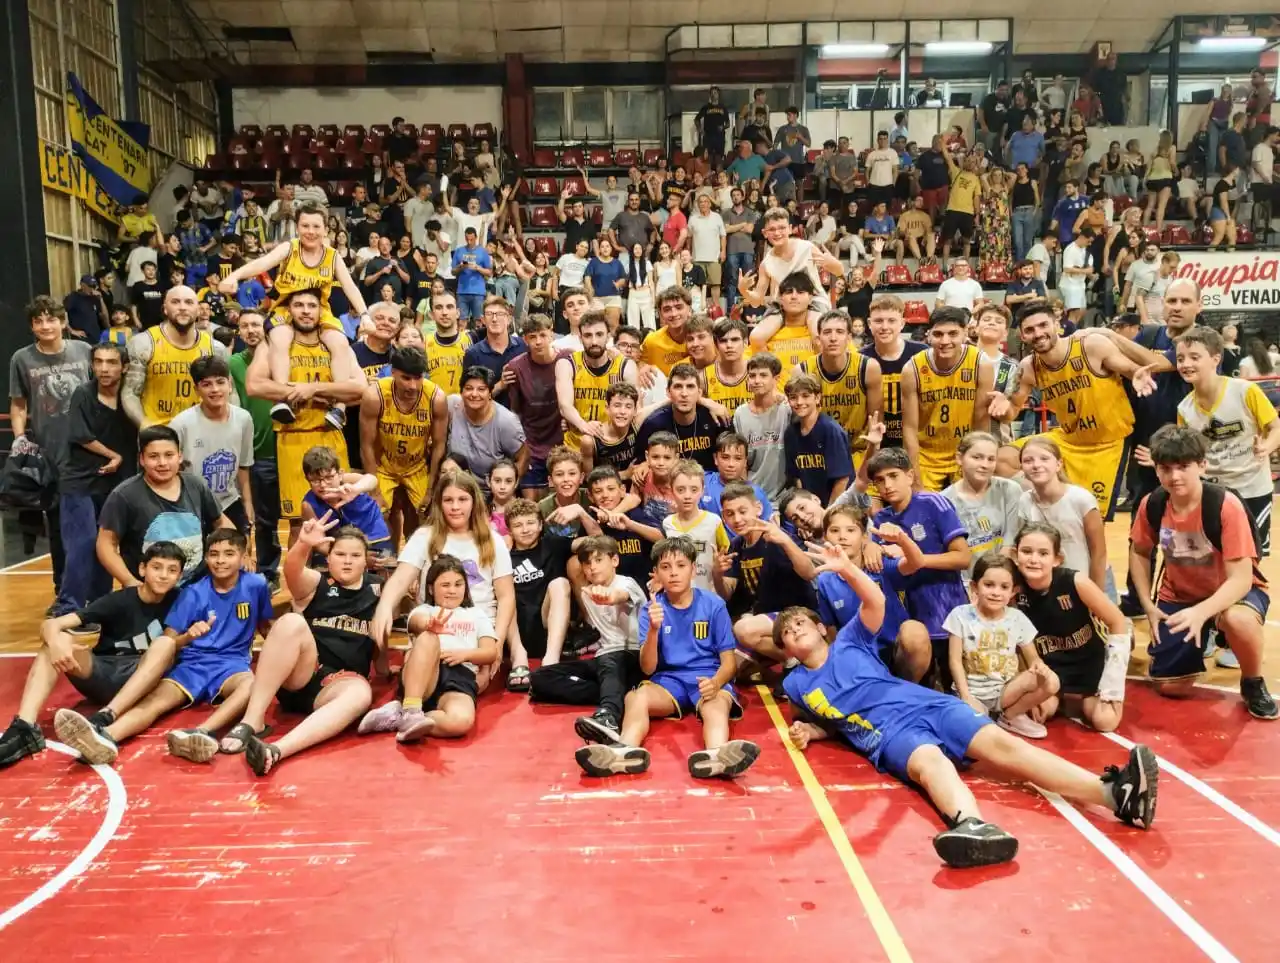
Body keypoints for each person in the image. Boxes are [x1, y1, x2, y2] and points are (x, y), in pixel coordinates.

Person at [777, 600, 1159, 870]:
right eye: (787, 632)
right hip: (888, 734)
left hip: (930, 704)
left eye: (800, 623)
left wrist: (847, 569)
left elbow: (873, 599)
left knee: (1006, 746)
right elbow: (828, 719)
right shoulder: (796, 683)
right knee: (931, 763)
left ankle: (1114, 795)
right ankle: (972, 826)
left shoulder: (848, 640)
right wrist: (810, 730)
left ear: (820, 629)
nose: (795, 630)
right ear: (786, 651)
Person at [54, 529, 274, 766]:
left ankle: (201, 732)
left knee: (251, 685)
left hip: (232, 665)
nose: (220, 560)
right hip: (191, 664)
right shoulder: (192, 593)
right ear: (206, 558)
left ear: (243, 557)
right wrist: (188, 636)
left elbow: (265, 627)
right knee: (154, 703)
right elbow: (170, 641)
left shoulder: (256, 585)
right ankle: (106, 737)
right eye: (214, 554)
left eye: (229, 554)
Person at [574, 536, 761, 779]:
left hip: (708, 677)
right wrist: (653, 629)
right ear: (656, 573)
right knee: (635, 697)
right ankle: (623, 751)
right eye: (665, 567)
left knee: (716, 705)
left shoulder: (713, 604)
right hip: (668, 680)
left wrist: (715, 683)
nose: (673, 573)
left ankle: (716, 754)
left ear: (693, 569)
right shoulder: (651, 609)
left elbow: (728, 663)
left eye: (681, 566)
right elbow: (648, 668)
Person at [1128, 426, 1276, 719]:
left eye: (1183, 467)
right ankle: (1206, 634)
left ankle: (1252, 681)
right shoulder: (1153, 504)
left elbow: (1241, 579)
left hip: (1232, 595)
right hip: (1180, 596)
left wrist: (1202, 613)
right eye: (1165, 468)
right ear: (1156, 469)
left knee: (1238, 620)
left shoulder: (1224, 505)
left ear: (1202, 465)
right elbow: (1139, 552)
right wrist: (1147, 605)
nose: (1175, 476)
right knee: (1171, 687)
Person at [0, 542, 185, 767]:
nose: (164, 575)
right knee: (57, 640)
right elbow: (52, 624)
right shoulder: (120, 600)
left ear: (179, 575)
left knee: (166, 644)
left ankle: (106, 716)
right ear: (142, 569)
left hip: (144, 677)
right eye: (157, 567)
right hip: (105, 672)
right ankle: (25, 728)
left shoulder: (181, 599)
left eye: (172, 570)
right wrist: (57, 644)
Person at [234, 516, 384, 775]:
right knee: (291, 621)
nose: (347, 560)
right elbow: (293, 573)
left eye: (355, 555)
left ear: (366, 560)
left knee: (361, 693)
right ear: (329, 558)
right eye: (340, 554)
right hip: (303, 674)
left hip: (338, 686)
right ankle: (252, 720)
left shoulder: (379, 589)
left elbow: (395, 626)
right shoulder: (317, 583)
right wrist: (303, 544)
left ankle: (276, 750)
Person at [993, 299, 1159, 520]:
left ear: (1057, 325)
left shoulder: (1089, 345)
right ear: (1022, 336)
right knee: (1002, 459)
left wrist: (1136, 374)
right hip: (1069, 441)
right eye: (1030, 330)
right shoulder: (1028, 366)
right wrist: (1003, 406)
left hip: (1107, 444)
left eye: (1043, 325)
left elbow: (1128, 368)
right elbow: (1013, 409)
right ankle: (1050, 508)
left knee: (1091, 522)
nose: (1038, 333)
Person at [217, 203, 367, 429]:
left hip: (320, 308)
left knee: (339, 341)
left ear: (326, 229)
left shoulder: (333, 256)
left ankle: (338, 407)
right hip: (286, 306)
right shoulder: (289, 248)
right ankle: (283, 400)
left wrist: (365, 315)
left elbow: (350, 287)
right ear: (297, 227)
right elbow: (261, 264)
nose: (310, 231)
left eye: (316, 226)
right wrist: (234, 277)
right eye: (305, 225)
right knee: (280, 337)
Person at [369, 471, 515, 689]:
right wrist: (384, 608)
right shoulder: (424, 536)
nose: (455, 507)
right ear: (439, 503)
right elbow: (400, 579)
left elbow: (506, 596)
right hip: (433, 628)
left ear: (474, 502)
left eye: (462, 499)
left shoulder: (492, 540)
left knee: (463, 689)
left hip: (475, 633)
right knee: (418, 685)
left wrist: (498, 643)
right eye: (448, 500)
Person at [245, 289, 368, 536]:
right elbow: (254, 385)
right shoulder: (273, 342)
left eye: (311, 305)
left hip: (329, 433)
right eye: (298, 305)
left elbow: (360, 388)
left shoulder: (336, 342)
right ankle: (297, 575)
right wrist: (311, 392)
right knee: (299, 521)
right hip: (293, 436)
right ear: (288, 310)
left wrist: (312, 389)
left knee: (343, 511)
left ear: (321, 310)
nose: (305, 311)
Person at [360, 554, 500, 743]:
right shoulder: (424, 610)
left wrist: (465, 654)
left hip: (460, 677)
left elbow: (490, 652)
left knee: (460, 722)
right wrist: (429, 625)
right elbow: (416, 623)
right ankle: (410, 710)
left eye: (458, 584)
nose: (452, 590)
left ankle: (400, 718)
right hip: (424, 675)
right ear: (431, 589)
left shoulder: (476, 615)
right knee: (428, 637)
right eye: (445, 585)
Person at [866, 448, 970, 686]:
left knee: (956, 686)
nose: (887, 485)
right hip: (913, 617)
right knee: (923, 686)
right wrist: (869, 546)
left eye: (893, 476)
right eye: (880, 480)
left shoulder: (934, 502)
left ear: (910, 476)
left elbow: (963, 557)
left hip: (950, 608)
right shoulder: (882, 521)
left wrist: (918, 557)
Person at [1012, 523, 1130, 733]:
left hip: (1088, 664)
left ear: (1057, 559)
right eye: (1026, 551)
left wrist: (1113, 685)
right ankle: (1058, 698)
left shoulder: (1075, 582)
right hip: (1049, 668)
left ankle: (1098, 697)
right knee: (1038, 713)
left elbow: (1118, 621)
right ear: (1015, 554)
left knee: (1105, 722)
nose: (1033, 559)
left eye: (1043, 553)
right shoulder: (1012, 588)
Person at [1174, 327, 1280, 554]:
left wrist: (1266, 447)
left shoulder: (1245, 391)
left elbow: (1275, 427)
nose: (1185, 364)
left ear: (1215, 358)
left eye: (1195, 357)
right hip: (1213, 493)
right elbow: (1189, 453)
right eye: (1180, 358)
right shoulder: (1184, 408)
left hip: (1252, 490)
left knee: (1251, 559)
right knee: (1216, 556)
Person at [52, 342, 138, 616]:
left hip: (116, 484)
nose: (103, 368)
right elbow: (80, 434)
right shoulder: (83, 394)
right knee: (83, 543)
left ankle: (100, 604)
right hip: (80, 482)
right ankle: (69, 607)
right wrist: (114, 456)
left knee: (107, 543)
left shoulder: (130, 398)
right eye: (98, 362)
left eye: (111, 362)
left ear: (124, 367)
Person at [96, 425, 232, 587]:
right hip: (149, 591)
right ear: (142, 459)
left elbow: (222, 524)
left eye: (169, 455)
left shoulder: (195, 485)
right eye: (154, 456)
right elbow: (105, 544)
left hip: (197, 587)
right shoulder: (124, 495)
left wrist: (235, 554)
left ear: (180, 456)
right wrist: (129, 582)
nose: (162, 463)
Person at [944, 555, 1057, 740]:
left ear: (1013, 591)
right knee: (979, 733)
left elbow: (1033, 659)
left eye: (1004, 587)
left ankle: (1011, 717)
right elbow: (955, 661)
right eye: (989, 585)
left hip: (1005, 693)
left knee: (1052, 681)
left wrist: (1040, 667)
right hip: (972, 693)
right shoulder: (960, 615)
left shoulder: (1017, 618)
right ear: (974, 587)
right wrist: (965, 695)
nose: (996, 592)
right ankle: (979, 714)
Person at [359, 346, 448, 544]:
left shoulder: (436, 398)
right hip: (384, 466)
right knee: (377, 516)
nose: (413, 386)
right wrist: (374, 490)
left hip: (417, 466)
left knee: (428, 520)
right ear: (393, 373)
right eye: (406, 378)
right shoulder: (375, 396)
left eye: (418, 378)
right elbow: (366, 445)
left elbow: (439, 445)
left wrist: (431, 490)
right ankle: (386, 562)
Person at [901, 308, 995, 491]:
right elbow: (909, 429)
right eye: (938, 334)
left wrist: (978, 462)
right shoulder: (912, 368)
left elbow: (982, 424)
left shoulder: (980, 363)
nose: (945, 341)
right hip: (927, 455)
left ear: (965, 333)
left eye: (953, 334)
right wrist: (915, 479)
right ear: (928, 336)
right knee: (924, 511)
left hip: (965, 451)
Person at [123, 286, 234, 428]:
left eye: (188, 302)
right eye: (175, 302)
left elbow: (230, 392)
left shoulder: (216, 348)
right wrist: (145, 425)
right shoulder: (144, 343)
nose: (182, 307)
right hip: (159, 433)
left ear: (198, 309)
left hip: (202, 431)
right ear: (164, 309)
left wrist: (227, 425)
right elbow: (130, 392)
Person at [169, 355, 256, 535]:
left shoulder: (243, 419)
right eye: (206, 384)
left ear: (229, 384)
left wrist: (247, 503)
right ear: (196, 389)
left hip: (230, 501)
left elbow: (243, 466)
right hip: (193, 505)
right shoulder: (180, 425)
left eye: (220, 382)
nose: (215, 389)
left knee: (238, 557)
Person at [1016, 436, 1111, 598]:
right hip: (1049, 588)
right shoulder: (1025, 501)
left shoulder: (1081, 499)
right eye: (1028, 460)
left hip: (1087, 583)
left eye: (1044, 459)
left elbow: (1099, 552)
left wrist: (1096, 595)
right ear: (1022, 468)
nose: (1036, 465)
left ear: (1058, 464)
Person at [941, 432, 1022, 583]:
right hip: (965, 585)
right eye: (977, 457)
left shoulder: (1010, 490)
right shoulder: (944, 501)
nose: (984, 465)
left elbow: (1009, 542)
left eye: (991, 459)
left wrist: (995, 584)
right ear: (959, 458)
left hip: (1004, 580)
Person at [503, 499, 574, 666]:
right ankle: (518, 656)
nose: (526, 529)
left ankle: (551, 660)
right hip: (515, 629)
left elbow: (596, 543)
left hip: (547, 623)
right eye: (518, 525)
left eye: (530, 523)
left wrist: (582, 514)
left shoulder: (552, 544)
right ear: (510, 531)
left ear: (541, 525)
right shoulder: (503, 554)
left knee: (560, 583)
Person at [504, 313, 567, 497]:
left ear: (552, 335)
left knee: (559, 501)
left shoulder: (569, 359)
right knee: (531, 506)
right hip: (532, 444)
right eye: (532, 337)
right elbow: (515, 412)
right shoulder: (516, 367)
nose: (538, 341)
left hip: (562, 443)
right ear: (525, 340)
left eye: (542, 335)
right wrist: (522, 448)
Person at [557, 311, 636, 454]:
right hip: (575, 448)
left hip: (612, 448)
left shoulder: (625, 366)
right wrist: (584, 426)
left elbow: (634, 410)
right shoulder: (567, 364)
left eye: (599, 334)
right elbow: (564, 406)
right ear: (580, 338)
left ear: (609, 336)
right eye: (588, 335)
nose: (594, 341)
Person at [298, 447, 392, 560]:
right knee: (321, 566)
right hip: (339, 547)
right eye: (315, 480)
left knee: (385, 565)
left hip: (374, 537)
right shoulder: (308, 505)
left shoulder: (349, 481)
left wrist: (356, 489)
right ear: (307, 479)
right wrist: (355, 557)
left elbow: (372, 479)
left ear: (340, 474)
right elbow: (320, 543)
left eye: (329, 477)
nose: (323, 485)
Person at [633, 362, 727, 472]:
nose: (684, 393)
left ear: (699, 393)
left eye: (690, 387)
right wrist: (643, 465)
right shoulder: (653, 424)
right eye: (678, 387)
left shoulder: (713, 418)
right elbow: (639, 464)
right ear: (668, 392)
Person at [862, 296, 926, 450]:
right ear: (869, 324)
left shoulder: (922, 354)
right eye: (878, 321)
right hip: (877, 441)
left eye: (891, 320)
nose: (884, 327)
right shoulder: (861, 359)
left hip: (915, 441)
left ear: (902, 323)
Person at [783, 373, 853, 504]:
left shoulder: (831, 430)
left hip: (840, 505)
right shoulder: (791, 433)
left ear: (817, 398)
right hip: (812, 505)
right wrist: (807, 505)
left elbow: (842, 480)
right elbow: (797, 478)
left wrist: (829, 513)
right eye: (793, 397)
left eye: (805, 396)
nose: (799, 402)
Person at [422, 290, 474, 396]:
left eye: (449, 307)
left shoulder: (471, 340)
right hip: (434, 407)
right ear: (431, 315)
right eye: (439, 307)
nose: (444, 312)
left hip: (466, 407)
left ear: (458, 313)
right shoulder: (424, 344)